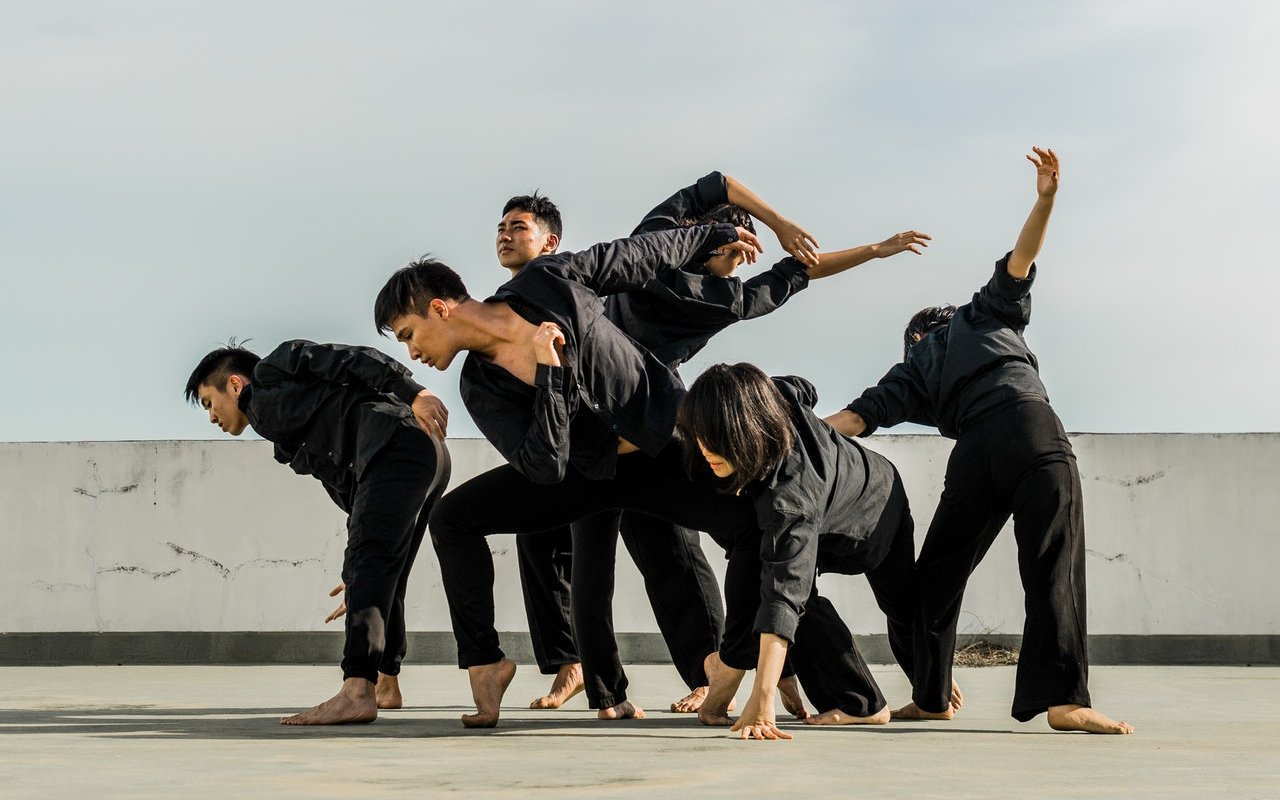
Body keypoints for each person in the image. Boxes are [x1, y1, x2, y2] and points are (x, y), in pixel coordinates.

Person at [511, 173, 933, 716]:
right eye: (739, 255)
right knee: (695, 551)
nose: (742, 267)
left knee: (649, 556)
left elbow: (718, 184)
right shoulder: (720, 298)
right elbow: (797, 263)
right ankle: (712, 674)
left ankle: (651, 686)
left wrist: (816, 233)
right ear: (721, 244)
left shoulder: (657, 240)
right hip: (640, 433)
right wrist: (855, 246)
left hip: (611, 431)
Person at [375, 223, 768, 727]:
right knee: (453, 518)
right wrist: (551, 375)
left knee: (754, 523)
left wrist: (710, 235)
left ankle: (738, 663)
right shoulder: (480, 387)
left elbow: (637, 254)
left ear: (439, 307)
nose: (412, 354)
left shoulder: (547, 281)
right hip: (583, 474)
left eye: (409, 335)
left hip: (659, 447)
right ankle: (486, 665)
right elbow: (544, 465)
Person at [824, 148, 1134, 734]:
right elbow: (1021, 260)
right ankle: (1065, 700)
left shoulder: (911, 371)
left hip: (975, 455)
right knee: (1052, 565)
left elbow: (851, 420)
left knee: (936, 576)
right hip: (1029, 427)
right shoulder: (980, 316)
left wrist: (768, 430)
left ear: (914, 337)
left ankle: (932, 694)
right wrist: (1045, 199)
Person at [184, 339, 451, 725]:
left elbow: (353, 359)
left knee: (371, 565)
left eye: (209, 403)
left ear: (235, 385)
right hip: (420, 456)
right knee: (382, 573)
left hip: (399, 440)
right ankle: (384, 683)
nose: (211, 416)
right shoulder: (287, 433)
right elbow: (353, 496)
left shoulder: (274, 369)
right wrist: (355, 569)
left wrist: (416, 393)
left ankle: (357, 689)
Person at [676, 362, 932, 740]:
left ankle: (868, 705)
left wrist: (761, 704)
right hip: (839, 496)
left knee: (888, 604)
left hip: (877, 511)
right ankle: (872, 693)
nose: (705, 449)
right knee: (770, 574)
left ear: (746, 429)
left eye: (718, 438)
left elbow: (783, 593)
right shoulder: (771, 401)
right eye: (700, 436)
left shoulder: (790, 497)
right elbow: (801, 387)